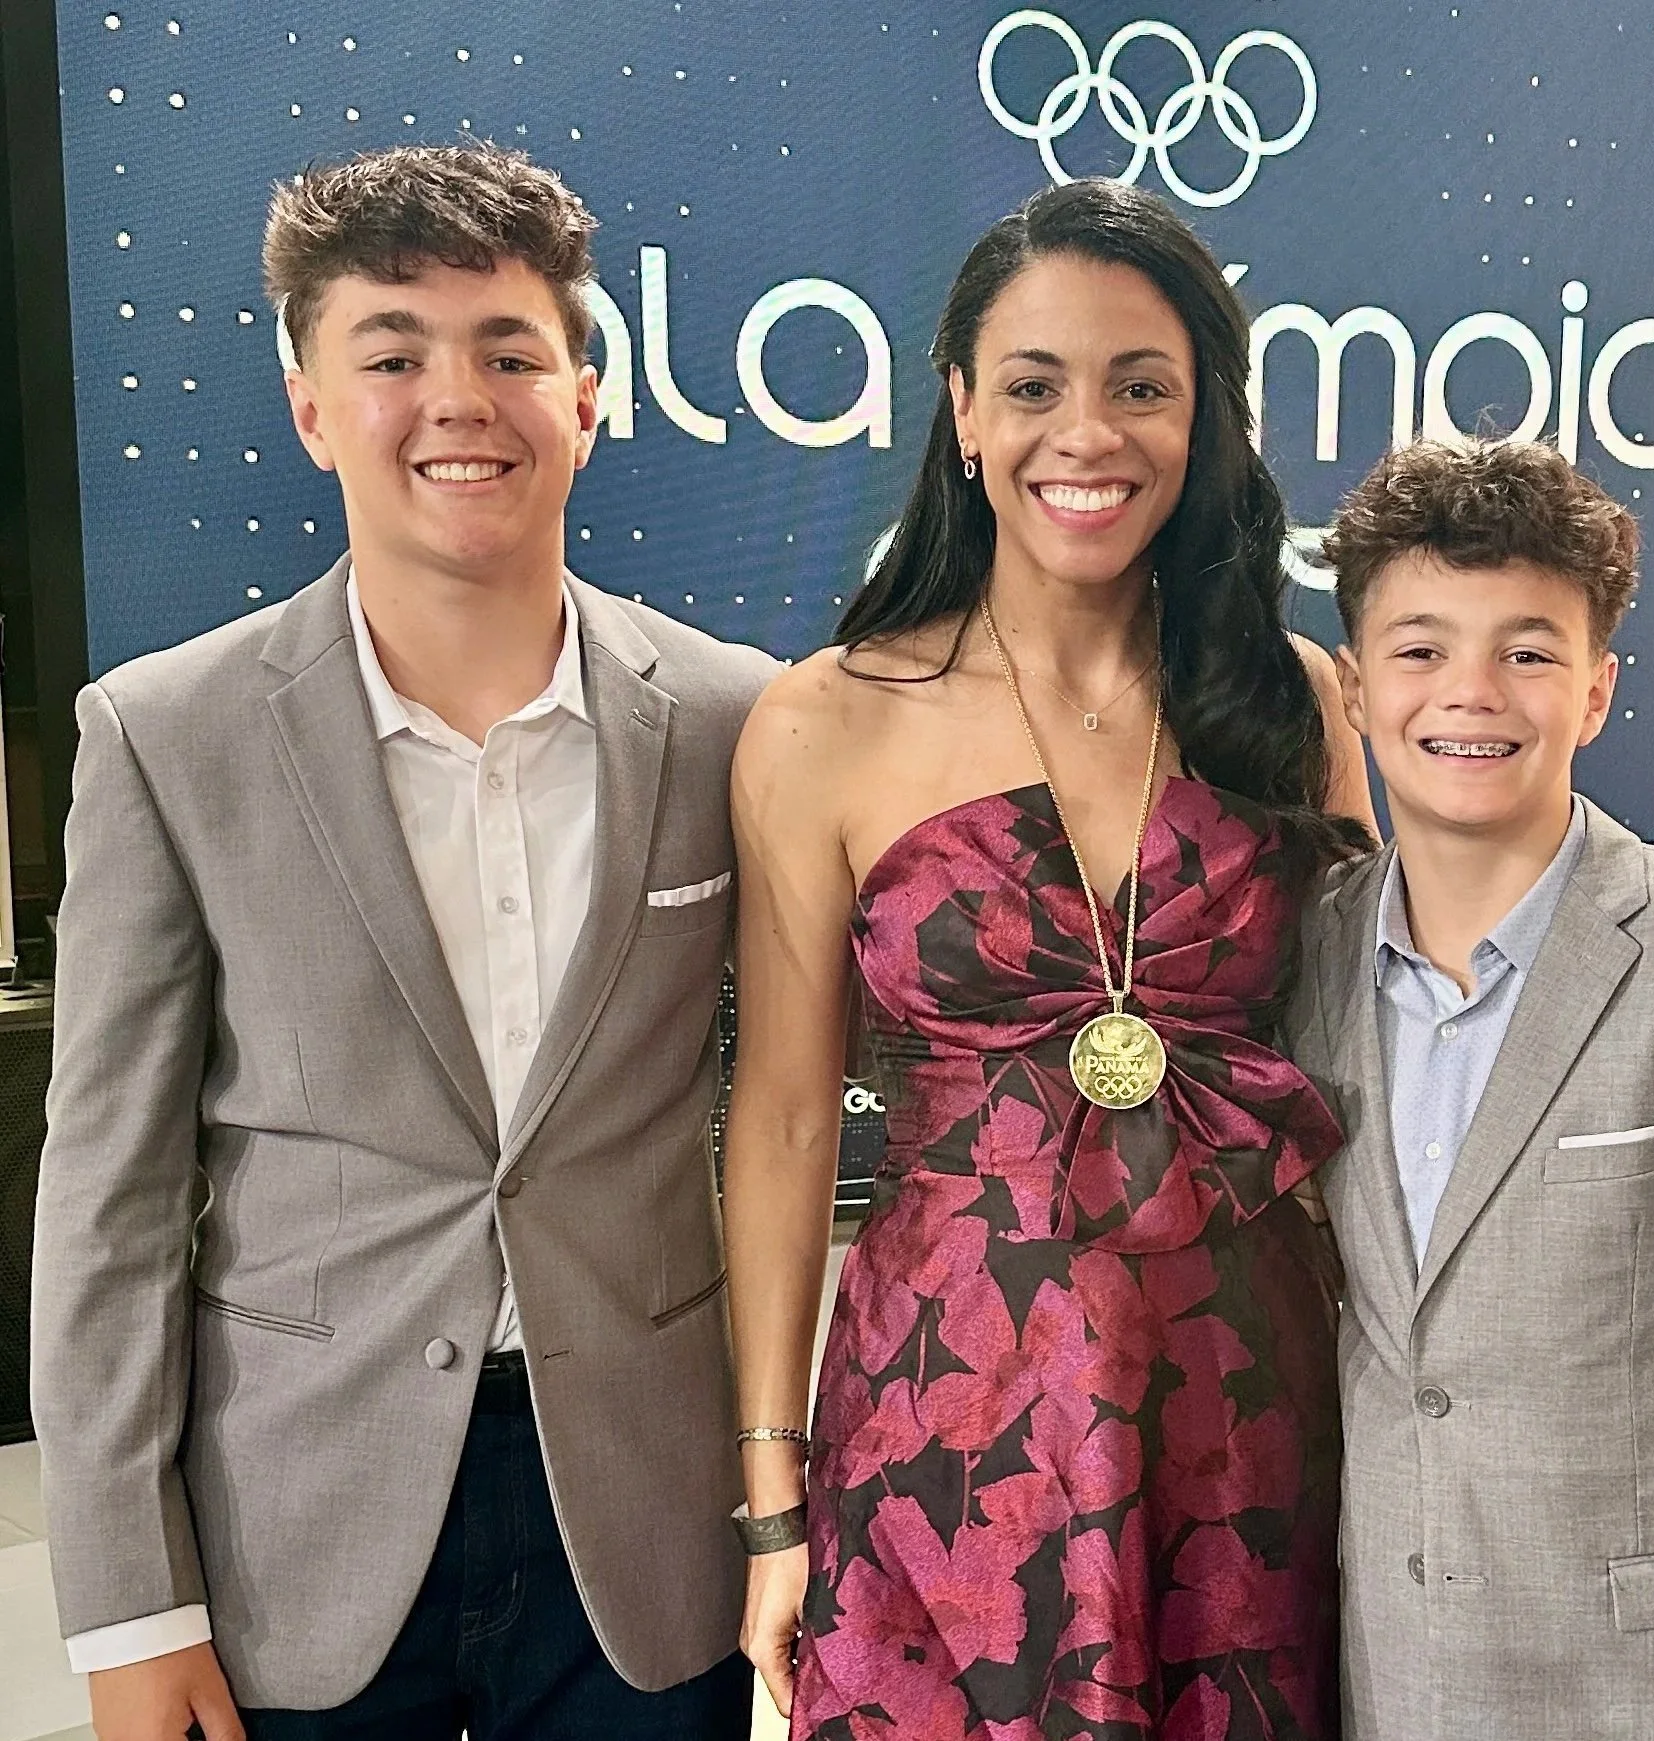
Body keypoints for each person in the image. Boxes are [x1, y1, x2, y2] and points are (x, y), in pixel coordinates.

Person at [31, 142, 773, 1741]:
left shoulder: (734, 721)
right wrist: (126, 1611)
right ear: (310, 407)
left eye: (511, 351)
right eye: (392, 354)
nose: (459, 399)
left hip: (643, 1534)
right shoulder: (168, 735)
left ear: (585, 395)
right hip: (297, 1520)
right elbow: (109, 1207)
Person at [724, 178, 1378, 1741]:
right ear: (961, 409)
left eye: (1140, 387)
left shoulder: (1297, 700)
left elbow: (1365, 1070)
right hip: (943, 1433)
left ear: (1205, 415)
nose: (1086, 433)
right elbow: (789, 1122)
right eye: (1032, 386)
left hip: (1247, 1418)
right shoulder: (826, 721)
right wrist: (769, 1499)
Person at [1285, 436, 1654, 1741]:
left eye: (1528, 650)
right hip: (1392, 1685)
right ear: (1352, 687)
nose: (1471, 692)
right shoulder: (1307, 955)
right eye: (1420, 649)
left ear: (1599, 689)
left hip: (1652, 1700)